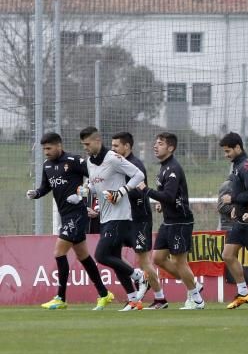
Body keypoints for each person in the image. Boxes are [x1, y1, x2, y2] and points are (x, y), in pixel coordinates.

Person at [27, 132, 113, 310]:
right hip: (65, 215)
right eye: (44, 149)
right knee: (83, 256)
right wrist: (36, 193)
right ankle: (104, 293)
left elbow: (95, 176)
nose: (46, 152)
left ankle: (60, 298)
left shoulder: (74, 161)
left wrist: (83, 192)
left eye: (49, 148)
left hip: (77, 214)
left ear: (59, 146)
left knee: (59, 252)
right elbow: (45, 187)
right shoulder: (47, 166)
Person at [78, 126, 147, 311]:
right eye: (83, 144)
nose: (85, 147)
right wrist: (86, 190)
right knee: (114, 258)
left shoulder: (113, 158)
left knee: (101, 255)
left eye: (87, 143)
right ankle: (133, 300)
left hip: (120, 217)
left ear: (97, 141)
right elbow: (96, 185)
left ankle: (139, 276)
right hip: (105, 217)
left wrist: (121, 192)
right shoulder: (90, 162)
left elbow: (138, 175)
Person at [140, 132, 203, 310]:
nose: (155, 146)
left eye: (160, 143)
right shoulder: (164, 167)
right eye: (156, 142)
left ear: (170, 148)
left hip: (180, 221)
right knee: (158, 258)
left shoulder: (173, 168)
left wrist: (147, 190)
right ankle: (195, 285)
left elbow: (168, 195)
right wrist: (162, 204)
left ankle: (196, 299)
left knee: (180, 262)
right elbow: (170, 197)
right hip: (169, 221)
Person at [110, 131, 163, 306]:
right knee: (113, 254)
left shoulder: (135, 165)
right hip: (125, 219)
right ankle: (138, 288)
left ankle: (160, 298)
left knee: (144, 261)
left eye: (116, 146)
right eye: (112, 146)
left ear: (127, 146)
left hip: (140, 219)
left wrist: (120, 193)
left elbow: (140, 190)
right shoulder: (119, 164)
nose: (113, 149)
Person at [218, 132, 248, 309]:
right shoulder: (237, 166)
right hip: (240, 222)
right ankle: (243, 292)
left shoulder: (245, 166)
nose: (226, 155)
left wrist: (233, 199)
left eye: (228, 151)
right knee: (227, 255)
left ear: (238, 147)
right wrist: (236, 207)